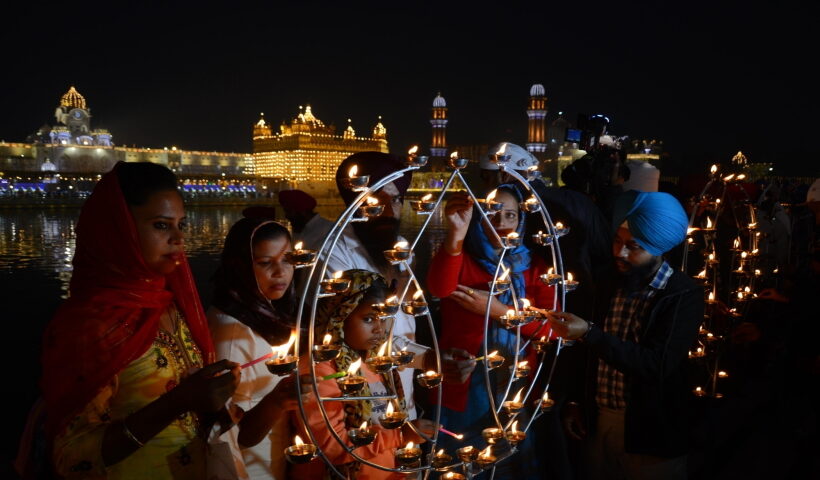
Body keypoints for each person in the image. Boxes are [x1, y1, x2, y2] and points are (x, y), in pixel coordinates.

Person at [41, 161, 240, 479]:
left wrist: (211, 398)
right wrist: (178, 401)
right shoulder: (88, 325)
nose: (178, 238)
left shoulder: (169, 305)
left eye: (181, 224)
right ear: (119, 229)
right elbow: (72, 458)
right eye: (162, 225)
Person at [546, 190, 702, 480]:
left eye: (633, 246)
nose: (620, 252)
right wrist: (576, 402)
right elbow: (587, 357)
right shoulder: (609, 282)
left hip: (650, 432)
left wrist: (590, 334)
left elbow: (656, 365)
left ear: (659, 248)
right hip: (598, 422)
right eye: (617, 241)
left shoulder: (682, 295)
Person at [426, 183, 557, 478]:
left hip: (515, 383)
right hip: (466, 384)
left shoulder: (534, 267)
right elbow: (439, 287)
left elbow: (552, 330)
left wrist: (500, 312)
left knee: (511, 462)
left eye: (510, 215)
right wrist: (456, 234)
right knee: (463, 464)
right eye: (492, 213)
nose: (501, 223)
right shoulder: (463, 257)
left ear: (521, 221)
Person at [290, 269, 436, 479]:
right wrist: (400, 434)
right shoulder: (320, 370)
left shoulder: (377, 362)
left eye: (384, 318)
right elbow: (332, 446)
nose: (380, 329)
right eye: (368, 319)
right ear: (340, 317)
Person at [330, 151, 429, 421]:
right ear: (355, 202)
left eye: (396, 199)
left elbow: (405, 315)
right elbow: (362, 336)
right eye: (377, 200)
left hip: (403, 380)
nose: (389, 210)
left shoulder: (398, 246)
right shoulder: (336, 254)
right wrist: (427, 360)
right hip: (361, 394)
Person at [208, 217, 310, 480]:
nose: (280, 272)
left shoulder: (267, 314)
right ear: (239, 267)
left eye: (287, 260)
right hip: (249, 468)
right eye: (265, 263)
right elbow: (230, 432)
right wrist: (278, 399)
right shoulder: (232, 332)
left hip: (276, 459)